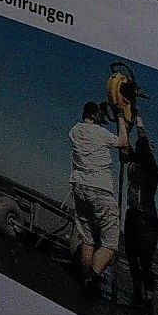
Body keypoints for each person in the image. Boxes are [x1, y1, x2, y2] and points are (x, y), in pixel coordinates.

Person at [68, 101, 129, 297]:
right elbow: (123, 142)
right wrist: (120, 116)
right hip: (100, 189)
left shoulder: (75, 131)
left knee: (87, 237)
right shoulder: (101, 133)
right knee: (110, 241)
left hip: (79, 187)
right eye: (100, 115)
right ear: (94, 116)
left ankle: (84, 276)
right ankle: (91, 280)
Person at [122, 125, 158, 309]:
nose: (150, 148)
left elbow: (142, 144)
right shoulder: (134, 162)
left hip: (147, 220)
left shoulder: (152, 168)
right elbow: (125, 145)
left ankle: (149, 299)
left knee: (145, 262)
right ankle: (138, 293)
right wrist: (124, 119)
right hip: (134, 215)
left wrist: (139, 125)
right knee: (131, 257)